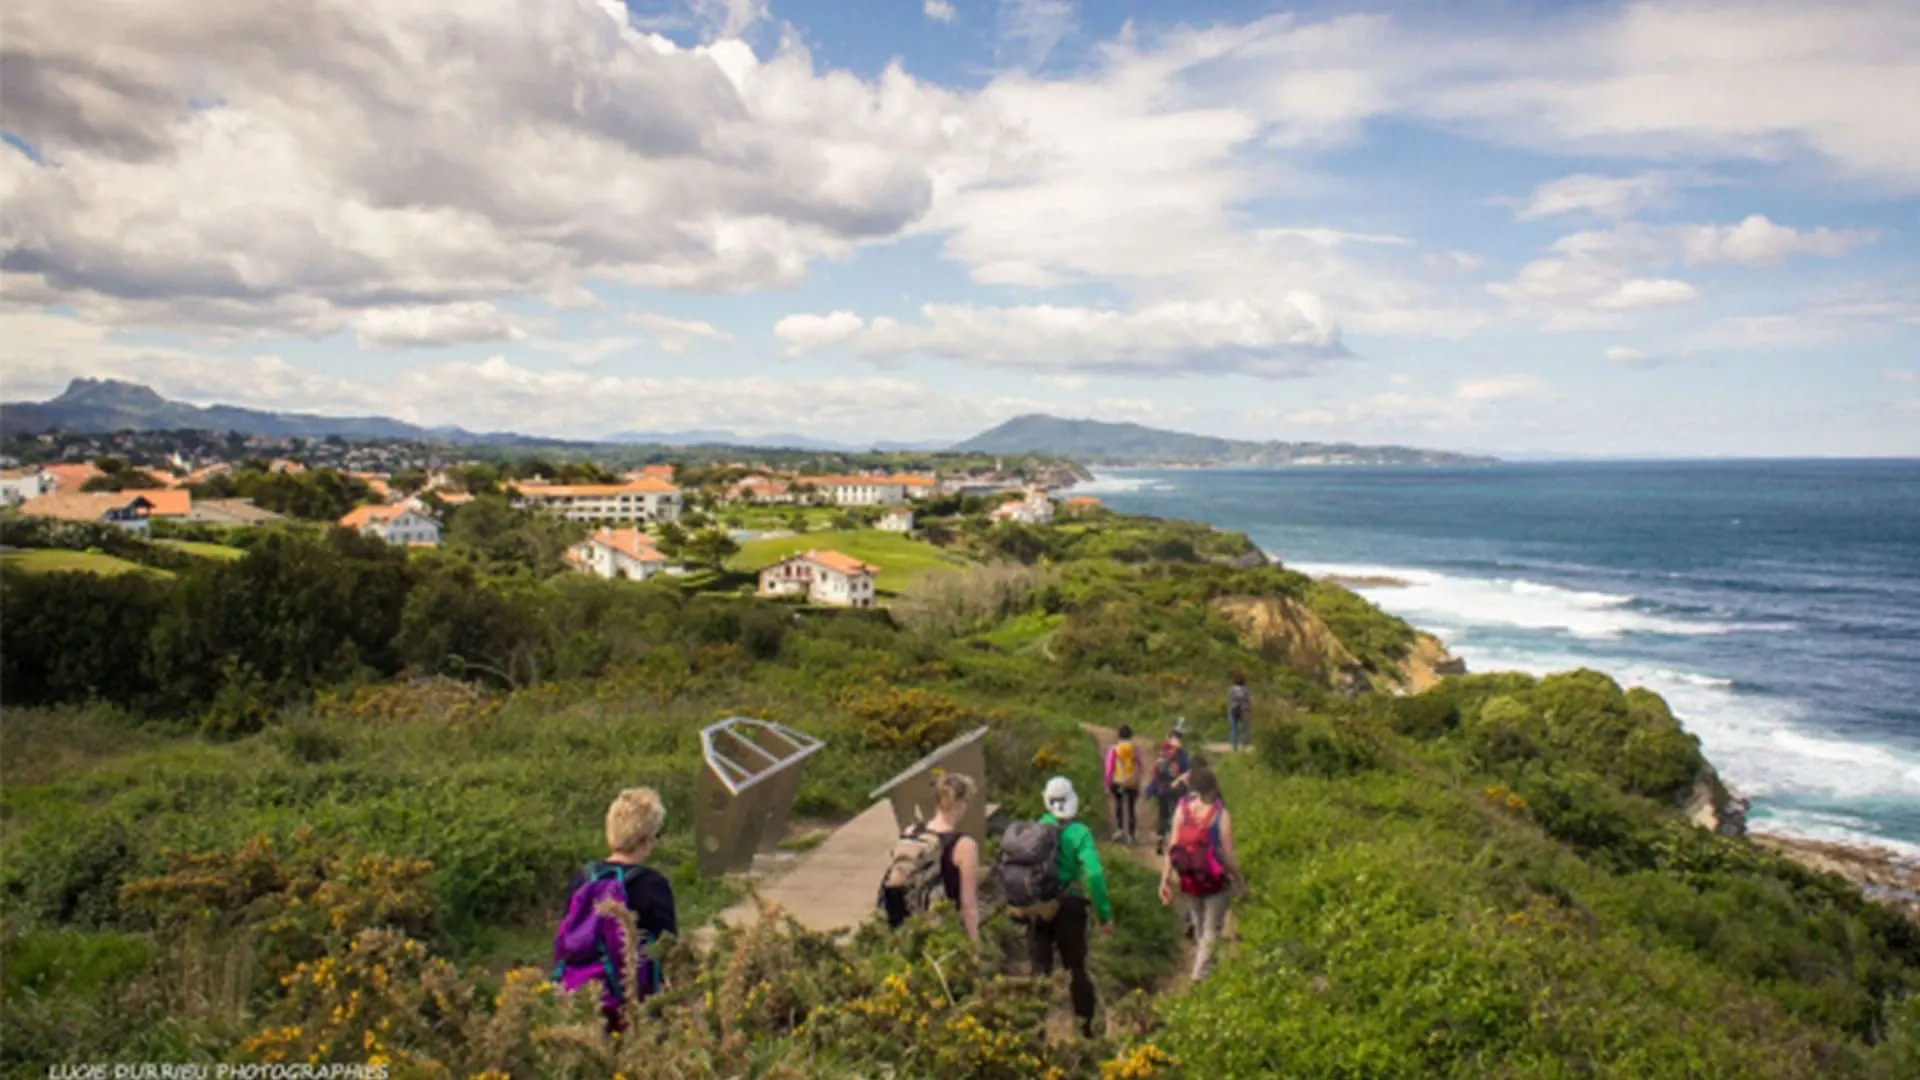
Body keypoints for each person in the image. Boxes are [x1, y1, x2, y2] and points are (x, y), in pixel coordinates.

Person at [554, 787, 677, 1030]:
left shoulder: (582, 878)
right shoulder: (652, 884)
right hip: (631, 1001)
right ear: (646, 838)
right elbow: (669, 948)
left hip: (581, 996)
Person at [1029, 777, 1114, 1038]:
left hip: (1039, 906)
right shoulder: (1080, 833)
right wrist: (1104, 914)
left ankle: (1033, 1033)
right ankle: (1085, 1032)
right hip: (1070, 906)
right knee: (1076, 968)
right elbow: (1096, 875)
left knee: (1039, 971)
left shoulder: (1036, 828)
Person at [1159, 766, 1243, 982]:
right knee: (1211, 929)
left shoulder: (1183, 808)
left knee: (1199, 926)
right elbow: (1228, 853)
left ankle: (1204, 968)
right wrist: (1239, 881)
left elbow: (1173, 846)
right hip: (1214, 879)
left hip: (1189, 878)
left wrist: (1165, 879)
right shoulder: (1220, 814)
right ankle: (1199, 975)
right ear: (1213, 788)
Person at [879, 773, 982, 941]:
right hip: (941, 932)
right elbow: (968, 906)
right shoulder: (964, 845)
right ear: (960, 804)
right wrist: (974, 945)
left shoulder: (911, 832)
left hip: (905, 929)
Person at [1145, 729, 1192, 856]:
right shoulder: (1183, 755)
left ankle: (1160, 839)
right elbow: (1187, 773)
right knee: (1177, 815)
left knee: (1162, 814)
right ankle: (1174, 843)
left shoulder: (1163, 752)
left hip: (1162, 790)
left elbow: (1156, 774)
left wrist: (1150, 790)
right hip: (1177, 790)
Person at [1104, 725, 1143, 845]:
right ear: (1131, 736)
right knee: (1131, 808)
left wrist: (1107, 783)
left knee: (1119, 805)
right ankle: (1131, 835)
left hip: (1118, 781)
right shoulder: (1135, 750)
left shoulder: (1114, 749)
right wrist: (1138, 780)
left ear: (1118, 736)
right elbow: (1140, 766)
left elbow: (1109, 768)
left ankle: (1120, 830)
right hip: (1132, 782)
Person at [1227, 672, 1252, 752]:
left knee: (1234, 728)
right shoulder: (1245, 690)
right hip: (1243, 709)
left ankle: (1234, 745)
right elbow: (1248, 700)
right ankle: (1245, 744)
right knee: (1244, 728)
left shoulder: (1232, 689)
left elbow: (1230, 698)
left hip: (1234, 708)